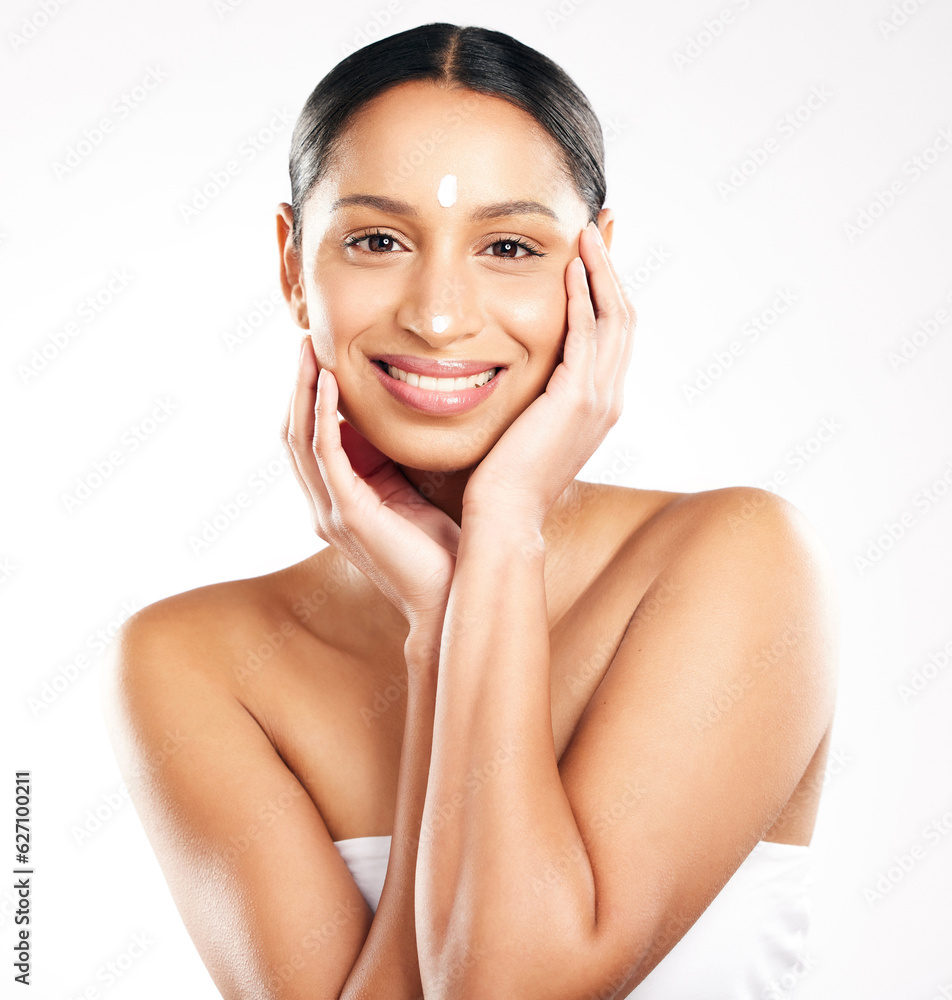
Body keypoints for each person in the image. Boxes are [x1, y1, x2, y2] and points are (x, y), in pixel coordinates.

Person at [102, 22, 838, 1000]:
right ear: (291, 264)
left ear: (595, 267)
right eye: (376, 239)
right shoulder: (190, 660)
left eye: (507, 244)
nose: (440, 314)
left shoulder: (738, 560)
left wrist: (496, 543)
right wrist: (442, 623)